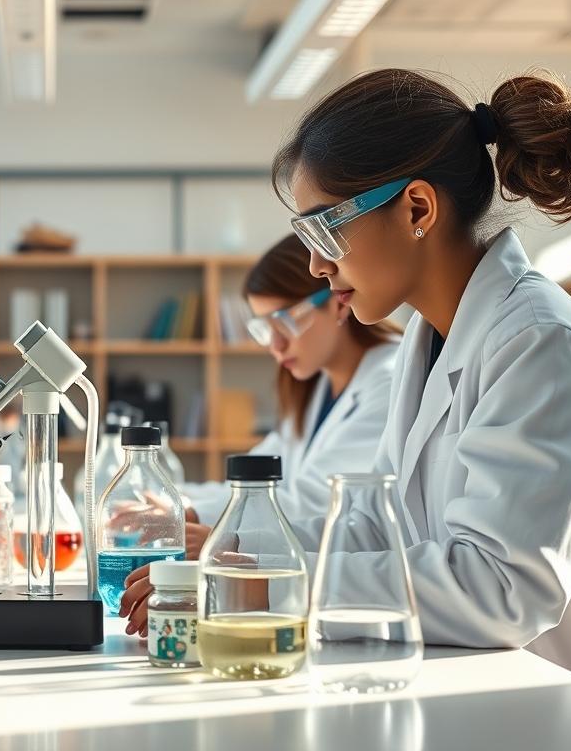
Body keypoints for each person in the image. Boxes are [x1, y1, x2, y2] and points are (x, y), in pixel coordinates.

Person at [204, 69, 571, 708]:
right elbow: (377, 524)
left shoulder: (541, 344)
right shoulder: (430, 337)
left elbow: (501, 589)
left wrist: (279, 583)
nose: (315, 264)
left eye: (324, 229)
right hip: (496, 693)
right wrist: (240, 554)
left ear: (417, 208)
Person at [120, 235, 400, 635]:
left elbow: (310, 500)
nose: (276, 345)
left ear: (339, 297)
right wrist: (178, 506)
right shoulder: (318, 388)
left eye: (284, 322)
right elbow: (250, 483)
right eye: (263, 330)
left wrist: (199, 524)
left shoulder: (388, 379)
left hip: (355, 591)